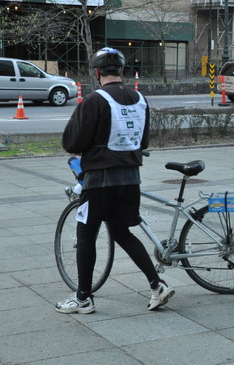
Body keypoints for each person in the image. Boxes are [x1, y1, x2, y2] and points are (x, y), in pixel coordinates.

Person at [55, 47, 174, 314]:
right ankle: (157, 286)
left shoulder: (95, 101)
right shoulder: (140, 98)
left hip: (99, 180)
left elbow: (72, 141)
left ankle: (83, 298)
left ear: (97, 73)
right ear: (122, 71)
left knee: (86, 234)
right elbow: (142, 141)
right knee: (122, 232)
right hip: (131, 179)